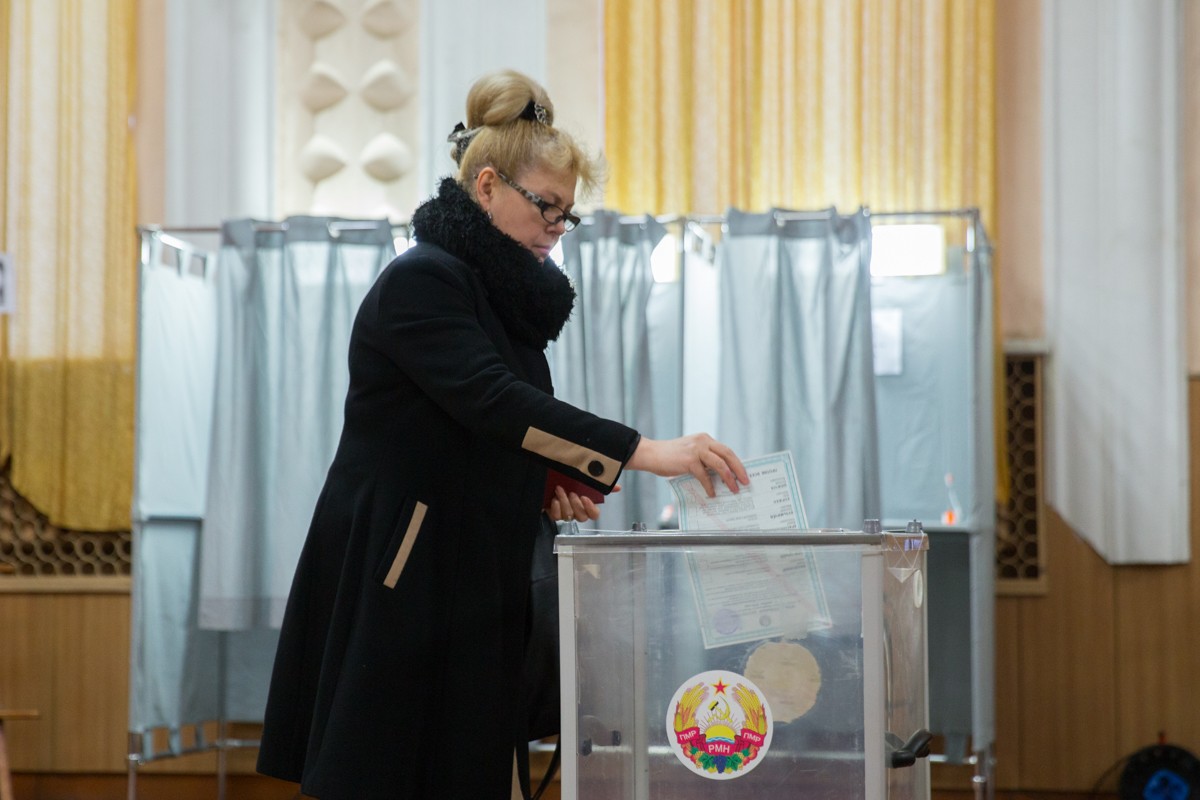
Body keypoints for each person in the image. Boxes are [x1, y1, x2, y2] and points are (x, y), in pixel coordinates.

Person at [256, 68, 749, 800]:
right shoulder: (421, 280)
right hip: (407, 568)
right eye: (546, 205)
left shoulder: (501, 302)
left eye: (567, 214)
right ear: (486, 187)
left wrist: (544, 485)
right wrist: (644, 452)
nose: (556, 226)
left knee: (471, 762)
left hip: (472, 572)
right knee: (392, 767)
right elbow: (494, 402)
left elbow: (484, 435)